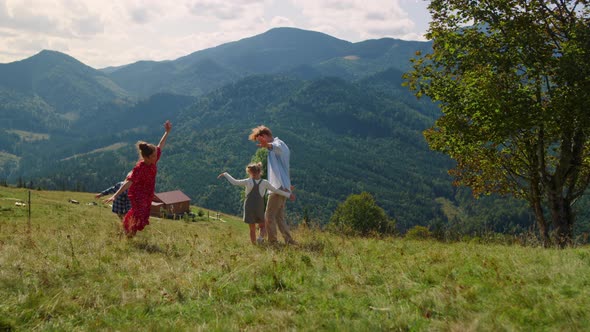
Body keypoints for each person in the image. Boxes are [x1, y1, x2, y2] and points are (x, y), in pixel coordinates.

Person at [104, 120, 172, 237]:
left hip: (147, 193)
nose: (157, 157)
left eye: (156, 154)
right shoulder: (139, 168)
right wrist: (115, 195)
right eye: (154, 155)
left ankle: (128, 230)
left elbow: (160, 145)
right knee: (138, 214)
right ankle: (128, 231)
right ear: (146, 157)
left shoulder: (153, 161)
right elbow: (128, 183)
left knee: (143, 214)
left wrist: (167, 132)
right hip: (138, 193)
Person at [218, 162, 294, 245]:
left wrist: (225, 174)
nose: (251, 175)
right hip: (257, 207)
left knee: (255, 227)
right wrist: (288, 194)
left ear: (255, 172)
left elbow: (235, 182)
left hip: (250, 207)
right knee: (260, 226)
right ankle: (259, 240)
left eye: (251, 173)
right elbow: (275, 190)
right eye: (250, 173)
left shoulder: (249, 181)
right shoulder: (263, 182)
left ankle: (256, 242)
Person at [248, 125, 297, 245]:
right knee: (279, 218)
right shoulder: (274, 148)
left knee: (269, 216)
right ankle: (289, 241)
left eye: (260, 140)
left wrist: (268, 145)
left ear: (264, 136)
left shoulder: (278, 144)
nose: (260, 143)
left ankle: (273, 243)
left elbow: (277, 148)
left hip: (278, 188)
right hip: (283, 187)